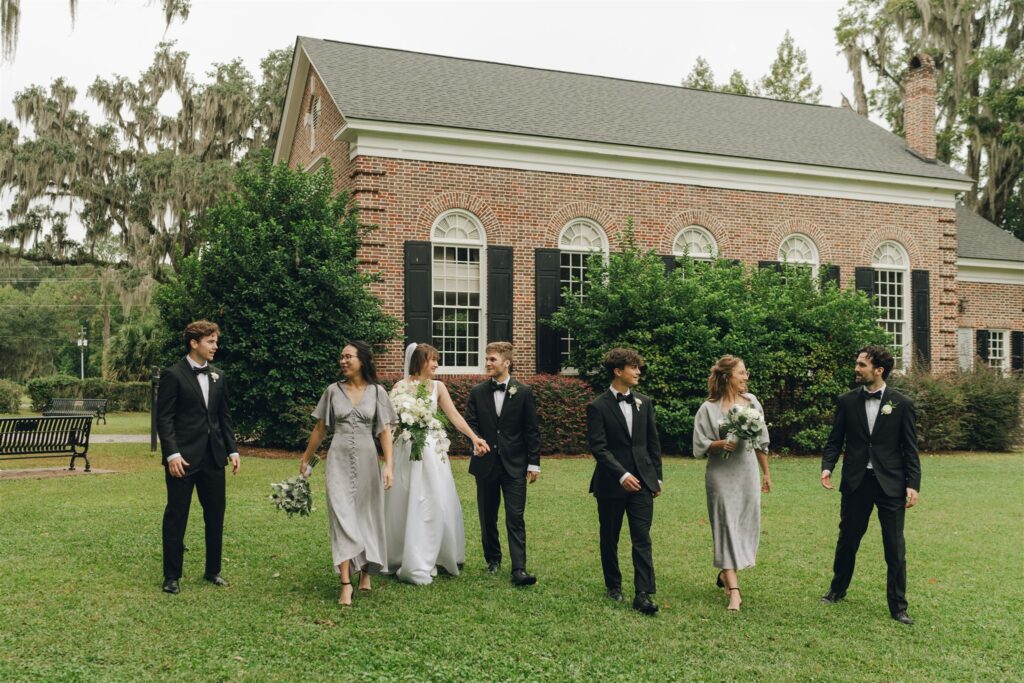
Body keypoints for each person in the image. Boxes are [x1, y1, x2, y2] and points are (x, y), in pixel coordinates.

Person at [820, 344, 921, 625]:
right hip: (856, 482)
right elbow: (834, 440)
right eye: (857, 363)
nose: (856, 368)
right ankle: (837, 589)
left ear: (879, 370)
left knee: (894, 546)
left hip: (891, 484)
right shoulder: (847, 401)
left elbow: (909, 449)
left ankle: (898, 607)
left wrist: (913, 484)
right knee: (848, 539)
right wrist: (828, 466)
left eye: (862, 365)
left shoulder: (903, 404)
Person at [299, 341, 396, 606]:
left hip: (367, 459)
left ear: (362, 360)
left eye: (348, 356)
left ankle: (366, 572)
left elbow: (385, 432)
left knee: (366, 515)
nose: (343, 361)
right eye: (341, 357)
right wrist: (306, 457)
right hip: (338, 459)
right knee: (341, 516)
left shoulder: (377, 392)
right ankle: (345, 583)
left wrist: (389, 465)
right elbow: (321, 429)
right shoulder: (332, 391)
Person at [385, 343, 490, 584]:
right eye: (431, 360)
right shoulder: (400, 388)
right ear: (419, 361)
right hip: (406, 450)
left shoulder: (438, 387)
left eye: (437, 360)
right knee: (406, 500)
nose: (435, 365)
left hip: (432, 452)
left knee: (434, 501)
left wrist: (475, 438)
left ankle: (433, 554)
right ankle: (403, 554)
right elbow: (390, 423)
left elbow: (454, 416)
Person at [157, 320, 240, 595]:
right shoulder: (173, 375)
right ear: (194, 343)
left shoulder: (219, 376)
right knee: (176, 515)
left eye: (215, 341)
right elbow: (164, 418)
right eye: (211, 341)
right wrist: (172, 454)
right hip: (182, 459)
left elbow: (223, 416)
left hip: (214, 457)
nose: (216, 346)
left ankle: (212, 570)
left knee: (215, 515)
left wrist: (232, 449)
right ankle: (171, 576)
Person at [586, 347, 663, 615]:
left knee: (642, 537)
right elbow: (599, 447)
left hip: (643, 482)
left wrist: (657, 477)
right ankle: (613, 585)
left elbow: (652, 443)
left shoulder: (644, 402)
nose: (638, 371)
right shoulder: (597, 406)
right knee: (610, 537)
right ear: (618, 371)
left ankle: (643, 594)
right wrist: (621, 474)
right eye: (633, 367)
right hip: (610, 483)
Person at [692, 355, 772, 612]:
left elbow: (761, 441)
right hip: (720, 474)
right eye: (742, 373)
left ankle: (727, 572)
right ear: (727, 376)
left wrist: (766, 473)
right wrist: (718, 444)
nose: (746, 377)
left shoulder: (752, 403)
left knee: (745, 524)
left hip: (747, 472)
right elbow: (699, 443)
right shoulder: (708, 408)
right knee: (726, 524)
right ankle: (734, 592)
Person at [465, 341, 541, 586]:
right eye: (487, 359)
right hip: (485, 464)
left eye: (492, 360)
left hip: (515, 464)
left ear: (506, 363)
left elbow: (531, 431)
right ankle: (493, 559)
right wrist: (475, 443)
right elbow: (470, 424)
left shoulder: (524, 392)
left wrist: (534, 463)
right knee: (487, 515)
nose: (488, 363)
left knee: (515, 516)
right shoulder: (477, 392)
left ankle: (519, 568)